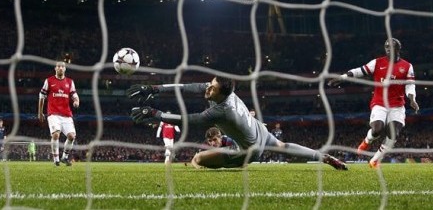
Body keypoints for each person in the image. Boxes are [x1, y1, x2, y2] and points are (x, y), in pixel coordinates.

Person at [127, 76, 347, 170]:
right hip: (259, 130)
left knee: (200, 159)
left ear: (220, 94)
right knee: (283, 146)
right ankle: (323, 157)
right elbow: (187, 87)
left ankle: (235, 160)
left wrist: (154, 113)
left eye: (211, 88)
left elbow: (187, 120)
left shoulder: (221, 112)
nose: (207, 89)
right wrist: (155, 89)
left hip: (251, 151)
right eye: (209, 85)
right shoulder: (224, 93)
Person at [328, 38, 419, 169]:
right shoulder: (377, 63)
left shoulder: (407, 66)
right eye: (387, 47)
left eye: (392, 47)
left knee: (394, 134)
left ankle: (375, 160)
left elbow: (410, 85)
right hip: (380, 103)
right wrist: (342, 77)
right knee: (377, 129)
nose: (389, 49)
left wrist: (412, 99)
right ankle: (367, 141)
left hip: (397, 105)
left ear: (398, 49)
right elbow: (359, 71)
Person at [38, 61, 80, 166]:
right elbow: (41, 96)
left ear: (65, 69)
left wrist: (76, 101)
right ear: (55, 68)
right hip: (53, 113)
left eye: (62, 66)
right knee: (56, 134)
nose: (60, 68)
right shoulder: (49, 81)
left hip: (66, 114)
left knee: (71, 136)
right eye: (58, 66)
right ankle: (56, 159)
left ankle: (64, 158)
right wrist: (40, 112)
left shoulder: (70, 82)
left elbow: (74, 94)